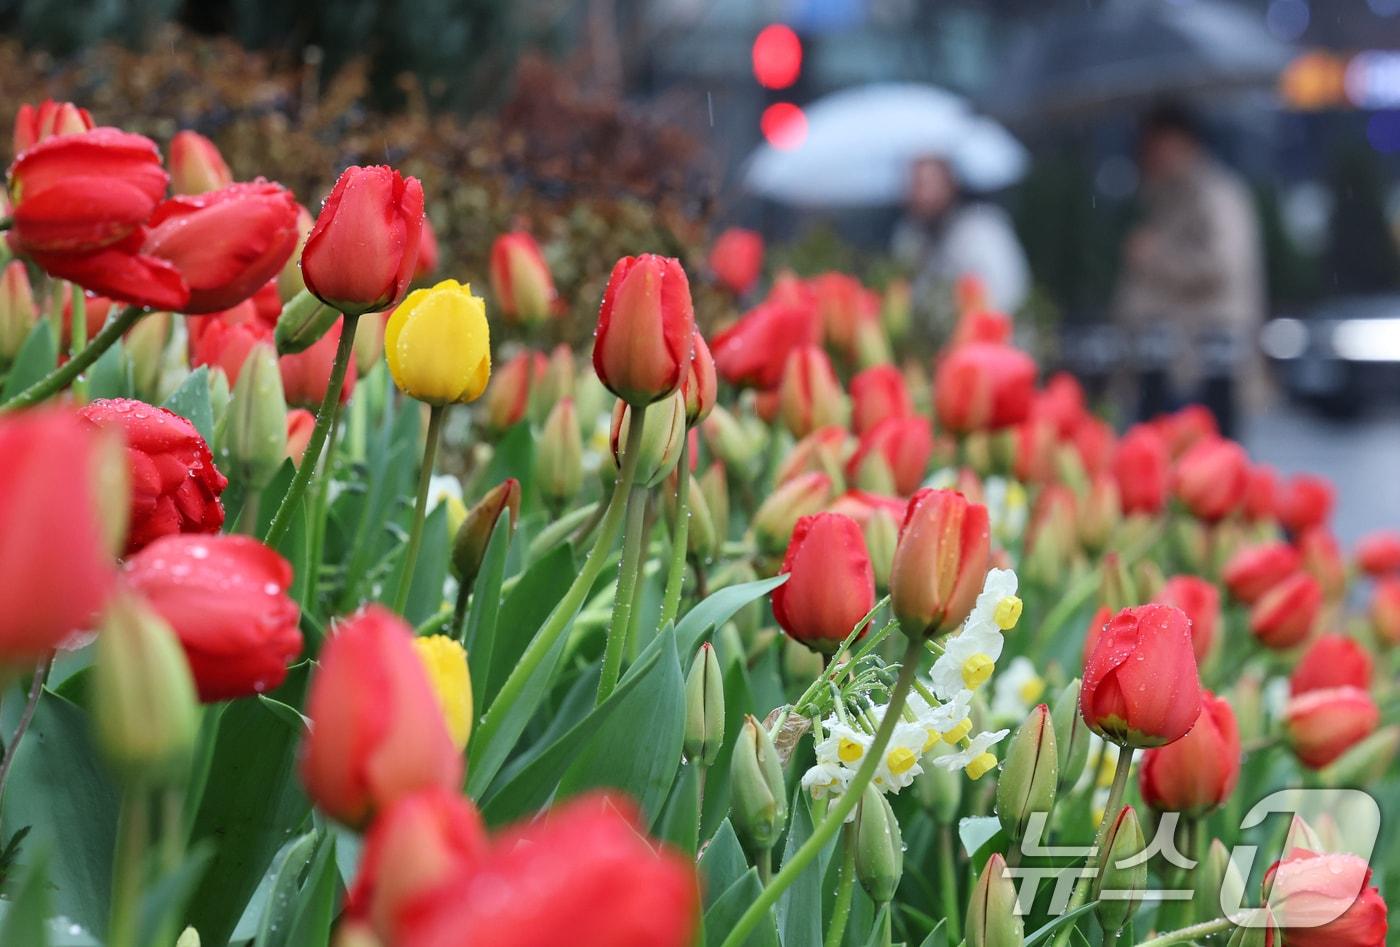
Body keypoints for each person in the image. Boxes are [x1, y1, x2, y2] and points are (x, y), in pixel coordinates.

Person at [1114, 102, 1265, 437]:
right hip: (1165, 364)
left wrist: (1156, 256)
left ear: (1184, 143)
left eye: (1157, 147)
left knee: (1203, 459)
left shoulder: (1217, 194)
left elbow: (1223, 264)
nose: (1150, 157)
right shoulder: (1166, 195)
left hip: (1201, 367)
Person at [892, 155, 1030, 315]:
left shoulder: (982, 228)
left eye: (926, 183)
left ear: (951, 182)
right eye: (913, 185)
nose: (920, 196)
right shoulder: (910, 235)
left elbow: (1007, 296)